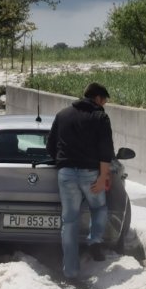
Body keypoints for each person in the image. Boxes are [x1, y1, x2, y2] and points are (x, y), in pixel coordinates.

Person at [47, 82, 115, 279]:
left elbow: (51, 147)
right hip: (90, 173)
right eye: (105, 101)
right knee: (99, 207)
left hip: (66, 174)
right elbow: (106, 151)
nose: (105, 105)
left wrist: (63, 162)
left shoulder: (62, 115)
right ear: (98, 98)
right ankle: (94, 241)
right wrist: (103, 177)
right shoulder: (100, 117)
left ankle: (71, 270)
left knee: (69, 221)